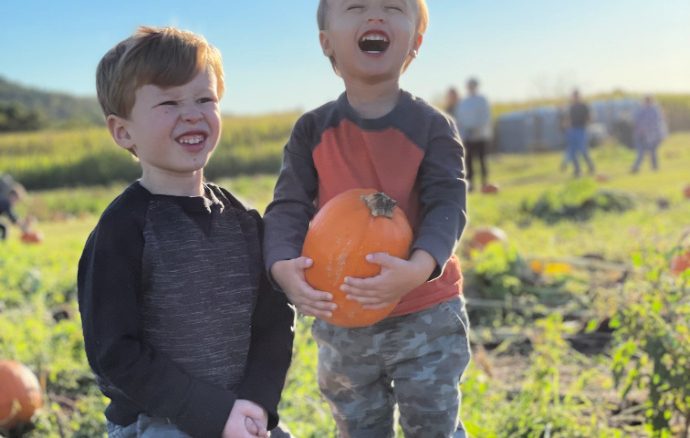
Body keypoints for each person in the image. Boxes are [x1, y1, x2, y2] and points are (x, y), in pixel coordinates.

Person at [263, 1, 470, 437]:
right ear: (327, 43)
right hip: (342, 318)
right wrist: (282, 265)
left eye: (392, 7)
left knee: (433, 425)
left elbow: (447, 204)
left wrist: (417, 269)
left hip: (425, 312)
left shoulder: (432, 127)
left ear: (415, 43)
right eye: (356, 6)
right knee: (358, 428)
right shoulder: (312, 131)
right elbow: (289, 206)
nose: (374, 16)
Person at [77, 26, 294, 438]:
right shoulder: (123, 230)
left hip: (239, 411)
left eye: (204, 99)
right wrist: (213, 412)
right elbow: (115, 352)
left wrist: (256, 403)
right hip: (155, 419)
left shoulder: (243, 220)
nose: (192, 113)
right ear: (123, 131)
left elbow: (274, 321)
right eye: (169, 102)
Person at [455, 77, 491, 191]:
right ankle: (470, 184)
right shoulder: (463, 102)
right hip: (467, 136)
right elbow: (460, 118)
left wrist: (477, 128)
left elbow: (485, 116)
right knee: (468, 161)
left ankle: (484, 183)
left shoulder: (482, 100)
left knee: (482, 159)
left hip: (480, 136)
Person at [630, 95, 667, 173]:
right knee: (644, 152)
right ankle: (638, 167)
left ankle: (651, 167)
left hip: (649, 135)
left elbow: (656, 122)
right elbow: (635, 121)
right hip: (643, 135)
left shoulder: (652, 110)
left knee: (649, 151)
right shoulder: (648, 110)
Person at [564, 89, 595, 177]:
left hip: (581, 130)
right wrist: (567, 126)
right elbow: (568, 118)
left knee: (583, 150)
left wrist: (588, 123)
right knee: (573, 152)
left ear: (579, 97)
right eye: (574, 96)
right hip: (573, 130)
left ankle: (591, 166)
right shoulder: (571, 107)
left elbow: (590, 117)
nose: (575, 98)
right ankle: (577, 170)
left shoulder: (584, 106)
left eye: (576, 96)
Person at [0, 176, 28, 241]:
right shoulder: (5, 202)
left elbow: (13, 216)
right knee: (4, 227)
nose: (16, 203)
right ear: (13, 196)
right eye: (17, 200)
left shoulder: (4, 200)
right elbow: (13, 217)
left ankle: (3, 243)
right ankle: (3, 243)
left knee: (3, 227)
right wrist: (23, 226)